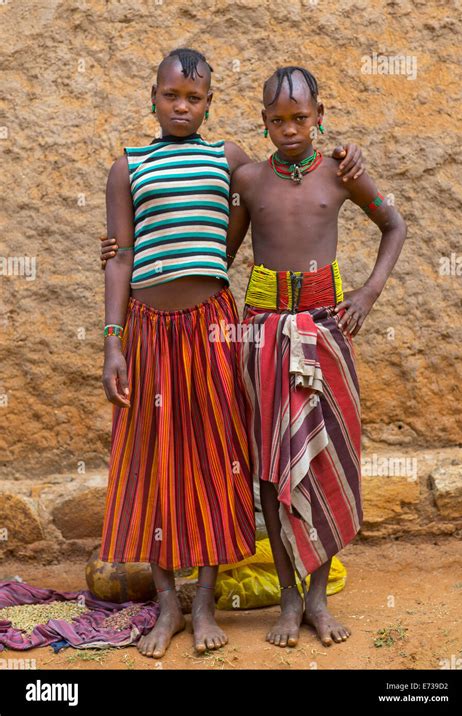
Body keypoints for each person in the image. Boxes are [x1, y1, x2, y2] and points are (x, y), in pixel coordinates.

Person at [99, 50, 366, 658]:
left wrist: (349, 156)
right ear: (154, 97)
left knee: (219, 454)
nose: (182, 107)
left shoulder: (230, 161)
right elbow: (119, 256)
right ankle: (167, 605)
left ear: (211, 103)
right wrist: (113, 342)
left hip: (217, 328)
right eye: (171, 97)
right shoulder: (127, 167)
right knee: (154, 456)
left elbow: (281, 188)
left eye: (194, 98)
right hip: (146, 329)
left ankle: (205, 601)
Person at [224, 65, 407, 649]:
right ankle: (287, 600)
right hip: (262, 336)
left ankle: (319, 602)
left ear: (320, 116)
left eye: (300, 118)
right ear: (263, 123)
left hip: (327, 330)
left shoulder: (342, 171)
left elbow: (394, 224)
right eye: (277, 120)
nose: (290, 129)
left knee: (325, 461)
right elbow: (215, 256)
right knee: (273, 467)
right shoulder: (250, 181)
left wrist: (368, 293)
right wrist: (128, 254)